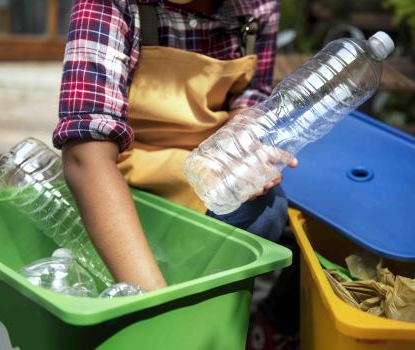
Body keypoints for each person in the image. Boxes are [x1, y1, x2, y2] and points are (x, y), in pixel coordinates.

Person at [53, 0, 298, 347]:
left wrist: (243, 134)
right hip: (124, 177)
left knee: (266, 210)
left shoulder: (256, 7)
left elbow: (251, 94)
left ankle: (209, 321)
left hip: (202, 169)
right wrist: (159, 311)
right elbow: (85, 157)